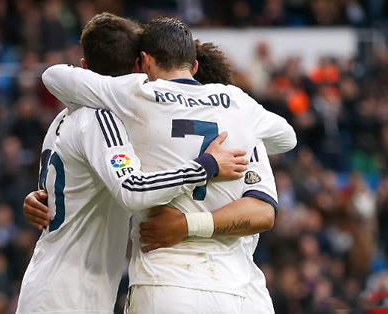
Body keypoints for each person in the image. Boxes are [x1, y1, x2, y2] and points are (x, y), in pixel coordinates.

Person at [41, 17, 296, 313]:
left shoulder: (135, 96)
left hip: (167, 283)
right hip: (241, 292)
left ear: (144, 62)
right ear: (195, 66)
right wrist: (235, 127)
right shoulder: (239, 106)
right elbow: (287, 138)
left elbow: (55, 76)